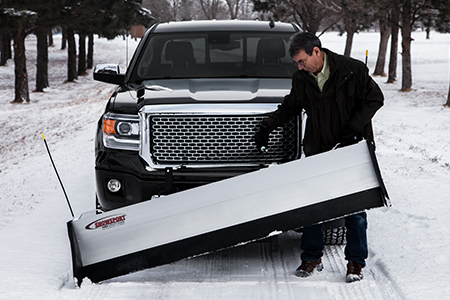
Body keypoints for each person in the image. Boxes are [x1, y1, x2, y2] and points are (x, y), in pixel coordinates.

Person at [254, 32, 384, 282]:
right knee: (313, 207)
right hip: (319, 149)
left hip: (351, 149)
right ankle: (312, 257)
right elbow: (291, 106)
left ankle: (355, 262)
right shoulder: (302, 78)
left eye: (302, 61)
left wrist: (352, 130)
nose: (300, 66)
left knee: (354, 209)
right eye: (297, 63)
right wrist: (266, 127)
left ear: (316, 51)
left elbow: (375, 99)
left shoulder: (352, 70)